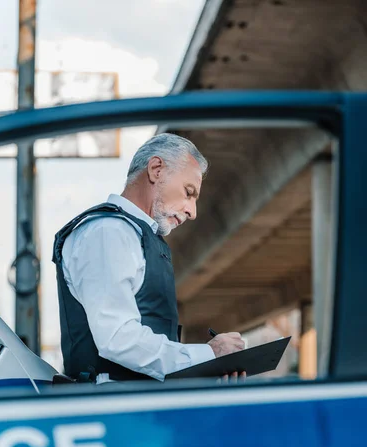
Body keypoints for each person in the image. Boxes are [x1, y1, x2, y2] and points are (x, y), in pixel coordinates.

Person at [52, 133, 246, 384]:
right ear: (156, 170)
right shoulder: (108, 232)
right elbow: (118, 338)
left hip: (134, 407)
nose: (192, 211)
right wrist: (209, 354)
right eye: (189, 192)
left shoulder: (134, 236)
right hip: (114, 412)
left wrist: (207, 363)